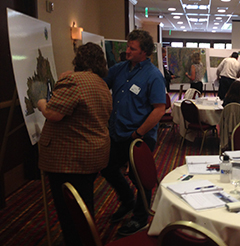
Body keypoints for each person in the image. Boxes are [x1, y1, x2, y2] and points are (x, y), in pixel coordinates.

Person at [37, 42, 112, 246]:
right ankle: (86, 237)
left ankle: (78, 240)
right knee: (83, 205)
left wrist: (42, 103)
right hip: (92, 153)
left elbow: (54, 114)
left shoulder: (73, 80)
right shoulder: (101, 83)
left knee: (70, 211)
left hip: (69, 159)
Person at [100, 30, 166, 236]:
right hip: (117, 132)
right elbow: (100, 84)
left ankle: (140, 217)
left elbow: (159, 109)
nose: (126, 51)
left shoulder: (153, 76)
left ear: (144, 52)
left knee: (140, 177)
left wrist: (138, 133)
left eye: (132, 48)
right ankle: (128, 199)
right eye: (127, 46)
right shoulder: (119, 69)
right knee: (107, 166)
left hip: (140, 136)